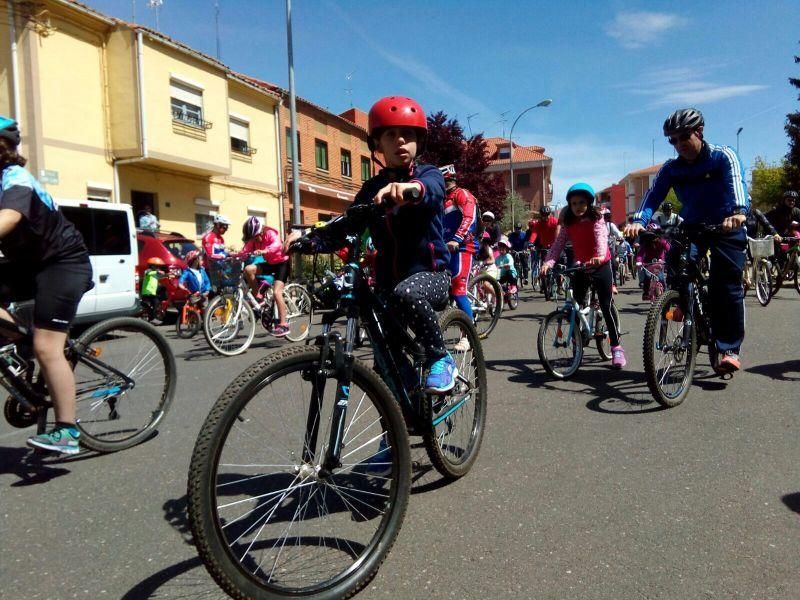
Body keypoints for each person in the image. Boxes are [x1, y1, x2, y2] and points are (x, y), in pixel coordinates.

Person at [300, 96, 456, 397]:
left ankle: (440, 356)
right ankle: (402, 407)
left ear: (418, 142)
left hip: (433, 275)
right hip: (387, 279)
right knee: (382, 350)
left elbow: (432, 191)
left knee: (406, 293)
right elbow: (349, 222)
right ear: (377, 144)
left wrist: (409, 190)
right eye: (390, 134)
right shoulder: (371, 188)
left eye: (408, 134)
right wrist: (311, 240)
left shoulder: (428, 175)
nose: (400, 141)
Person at [624, 107, 749, 373]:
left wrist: (738, 212)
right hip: (693, 225)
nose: (679, 144)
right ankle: (681, 302)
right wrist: (638, 221)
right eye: (673, 140)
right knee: (677, 262)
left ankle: (729, 348)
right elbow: (652, 195)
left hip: (726, 225)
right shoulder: (672, 168)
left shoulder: (722, 156)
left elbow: (737, 182)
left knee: (725, 285)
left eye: (683, 137)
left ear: (699, 132)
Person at [0, 115, 94, 455]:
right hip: (28, 264)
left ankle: (67, 431)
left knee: (47, 347)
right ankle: (24, 344)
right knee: (32, 337)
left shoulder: (15, 178)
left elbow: (9, 217)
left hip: (64, 263)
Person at [542, 183, 626, 369]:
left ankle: (616, 347)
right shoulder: (568, 223)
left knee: (605, 305)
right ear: (569, 206)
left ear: (588, 202)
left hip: (601, 264)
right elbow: (558, 245)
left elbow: (601, 238)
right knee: (575, 306)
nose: (578, 206)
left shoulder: (597, 219)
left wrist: (598, 257)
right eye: (574, 203)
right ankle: (577, 342)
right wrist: (549, 262)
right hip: (582, 266)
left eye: (581, 202)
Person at [236, 216, 300, 337]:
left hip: (282, 264)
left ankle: (283, 325)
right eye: (252, 238)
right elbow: (244, 251)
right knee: (248, 269)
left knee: (276, 293)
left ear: (261, 231)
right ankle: (258, 297)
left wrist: (265, 250)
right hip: (270, 264)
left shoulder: (270, 233)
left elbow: (276, 245)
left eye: (255, 237)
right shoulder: (253, 241)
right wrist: (233, 255)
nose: (254, 240)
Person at [440, 164, 478, 350]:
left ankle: (469, 336)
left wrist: (456, 238)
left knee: (458, 290)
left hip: (463, 247)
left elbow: (469, 218)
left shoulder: (462, 194)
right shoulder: (441, 199)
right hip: (445, 249)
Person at [635, 223, 670, 299]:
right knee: (647, 277)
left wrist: (669, 259)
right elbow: (640, 254)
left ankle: (666, 296)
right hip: (648, 263)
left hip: (659, 263)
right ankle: (646, 293)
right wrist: (639, 261)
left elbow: (669, 250)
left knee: (661, 278)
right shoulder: (645, 244)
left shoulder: (662, 242)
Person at [602, 208, 623, 292]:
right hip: (597, 249)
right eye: (603, 216)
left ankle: (613, 283)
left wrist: (620, 239)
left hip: (608, 249)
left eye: (607, 216)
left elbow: (619, 234)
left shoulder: (611, 225)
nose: (605, 219)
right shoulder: (596, 224)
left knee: (613, 264)